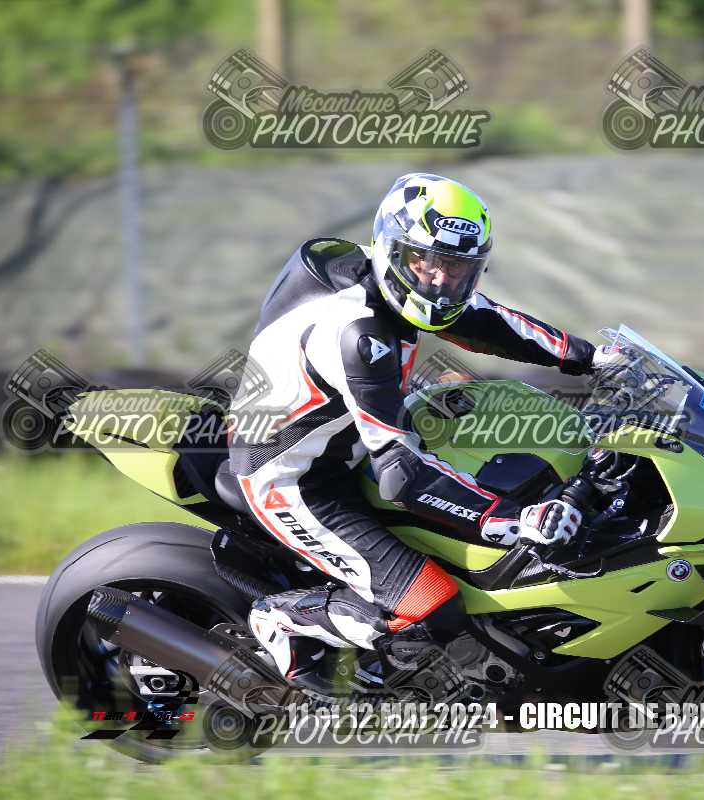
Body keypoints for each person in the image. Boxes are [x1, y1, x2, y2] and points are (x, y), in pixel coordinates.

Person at [229, 173, 610, 684]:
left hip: (349, 439)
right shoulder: (357, 334)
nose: (439, 281)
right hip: (294, 481)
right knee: (435, 604)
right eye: (425, 262)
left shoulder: (389, 279)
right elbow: (402, 476)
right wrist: (515, 521)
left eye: (457, 269)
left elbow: (489, 320)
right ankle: (284, 617)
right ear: (392, 249)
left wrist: (592, 358)